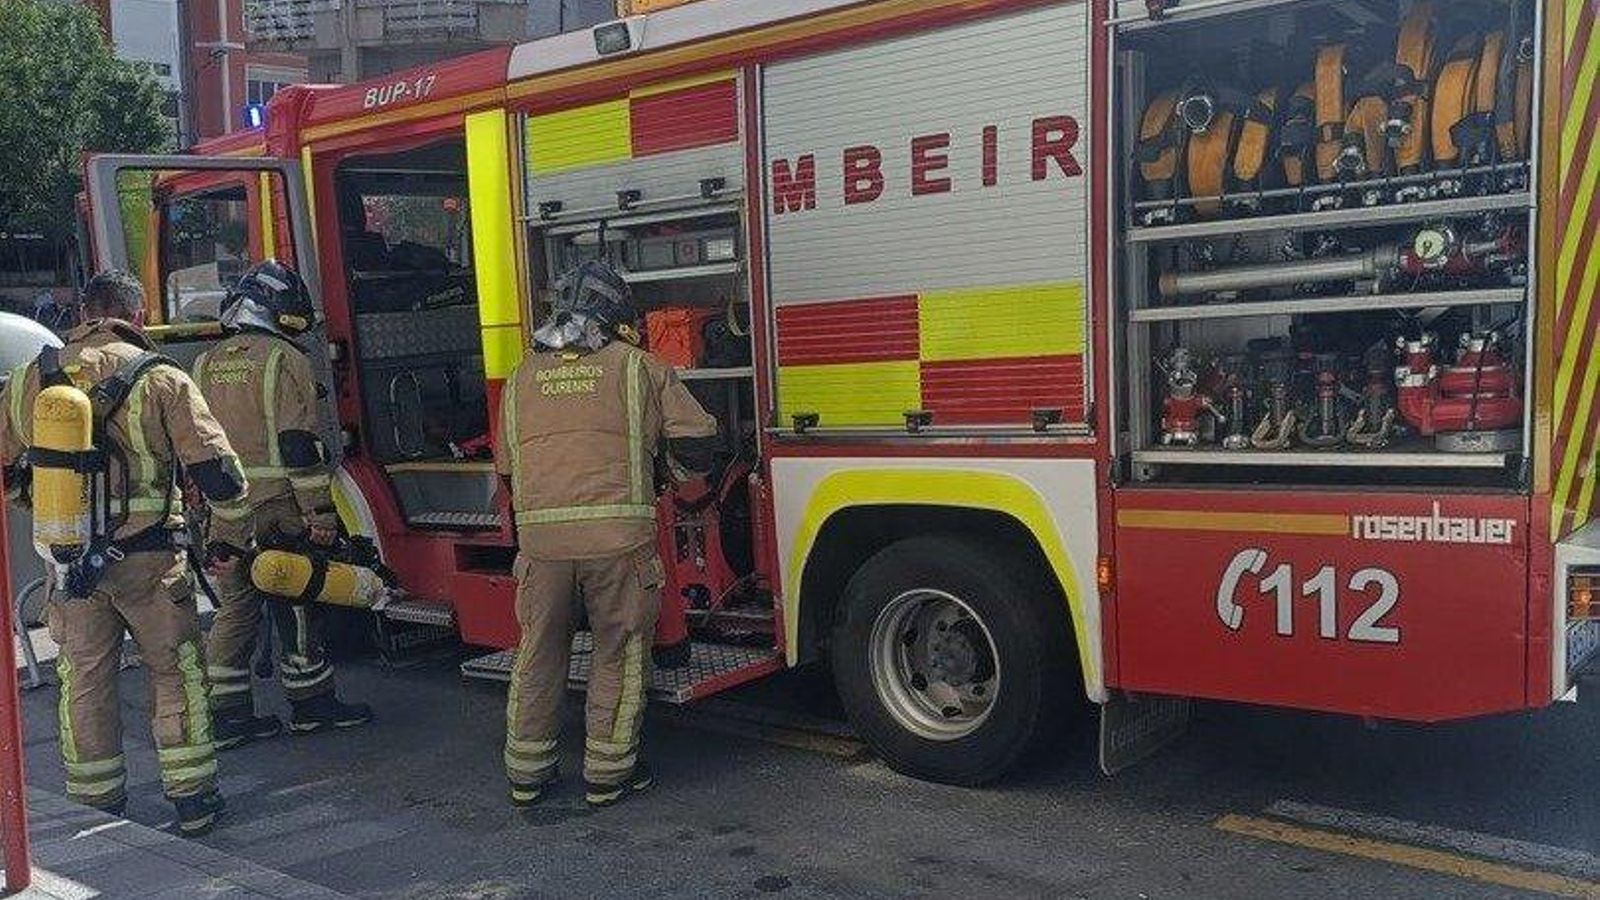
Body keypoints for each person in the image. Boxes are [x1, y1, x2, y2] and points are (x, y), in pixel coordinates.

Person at [0, 270, 251, 835]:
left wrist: (35, 504)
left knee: (84, 676)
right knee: (176, 671)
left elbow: (4, 466)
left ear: (84, 313)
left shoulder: (28, 380)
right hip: (152, 561)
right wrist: (231, 539)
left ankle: (96, 803)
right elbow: (219, 474)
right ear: (136, 317)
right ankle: (193, 800)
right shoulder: (162, 377)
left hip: (68, 565)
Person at [497, 260, 718, 809]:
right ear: (617, 312)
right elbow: (698, 444)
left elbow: (506, 466)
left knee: (538, 653)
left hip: (542, 549)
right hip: (618, 544)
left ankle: (527, 773)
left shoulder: (521, 376)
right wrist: (664, 478)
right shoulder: (638, 367)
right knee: (617, 654)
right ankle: (609, 773)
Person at [193, 261, 372, 747]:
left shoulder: (205, 363)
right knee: (296, 601)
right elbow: (299, 445)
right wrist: (320, 513)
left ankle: (227, 715)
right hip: (280, 506)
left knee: (235, 610)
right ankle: (312, 704)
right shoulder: (284, 358)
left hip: (225, 512)